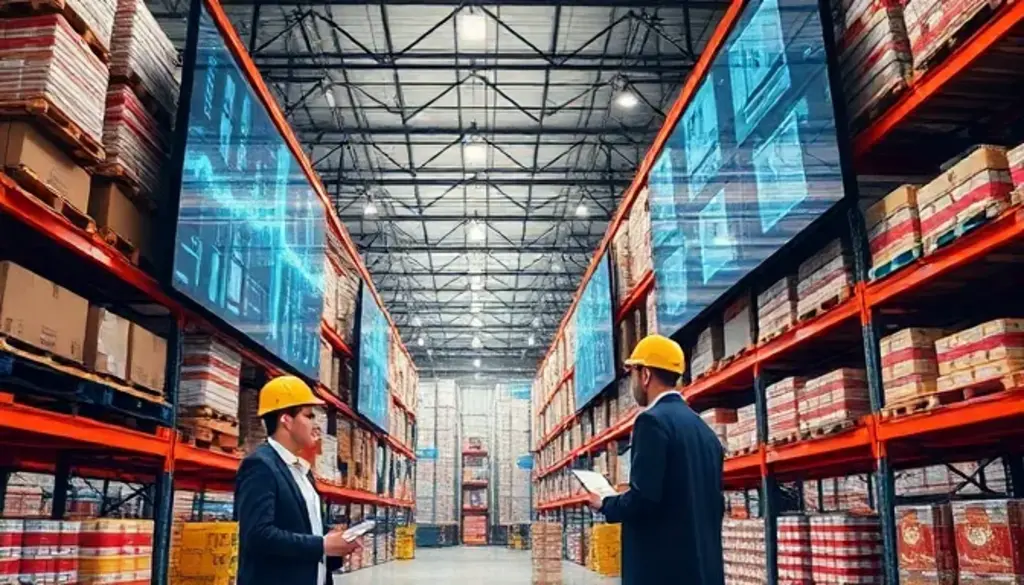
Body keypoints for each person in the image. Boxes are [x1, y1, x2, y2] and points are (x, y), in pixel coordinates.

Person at [587, 334, 725, 585]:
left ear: (646, 375)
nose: (632, 383)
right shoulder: (705, 433)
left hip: (662, 571)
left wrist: (606, 504)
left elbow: (644, 499)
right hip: (702, 572)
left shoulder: (651, 422)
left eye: (632, 373)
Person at [236, 375, 360, 585]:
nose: (316, 425)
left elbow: (305, 534)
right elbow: (257, 536)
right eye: (309, 416)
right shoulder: (260, 466)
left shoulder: (302, 471)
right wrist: (322, 545)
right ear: (286, 420)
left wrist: (337, 547)